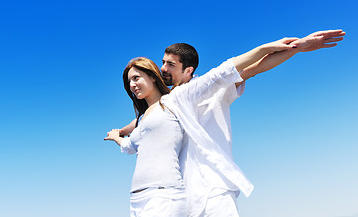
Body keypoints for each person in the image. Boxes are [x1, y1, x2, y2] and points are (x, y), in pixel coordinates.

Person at [105, 30, 345, 217]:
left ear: (188, 70)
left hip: (213, 183)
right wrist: (121, 131)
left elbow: (252, 68)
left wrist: (296, 47)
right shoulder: (168, 101)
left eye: (170, 65)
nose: (163, 69)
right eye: (163, 63)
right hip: (180, 190)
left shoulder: (210, 90)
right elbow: (144, 120)